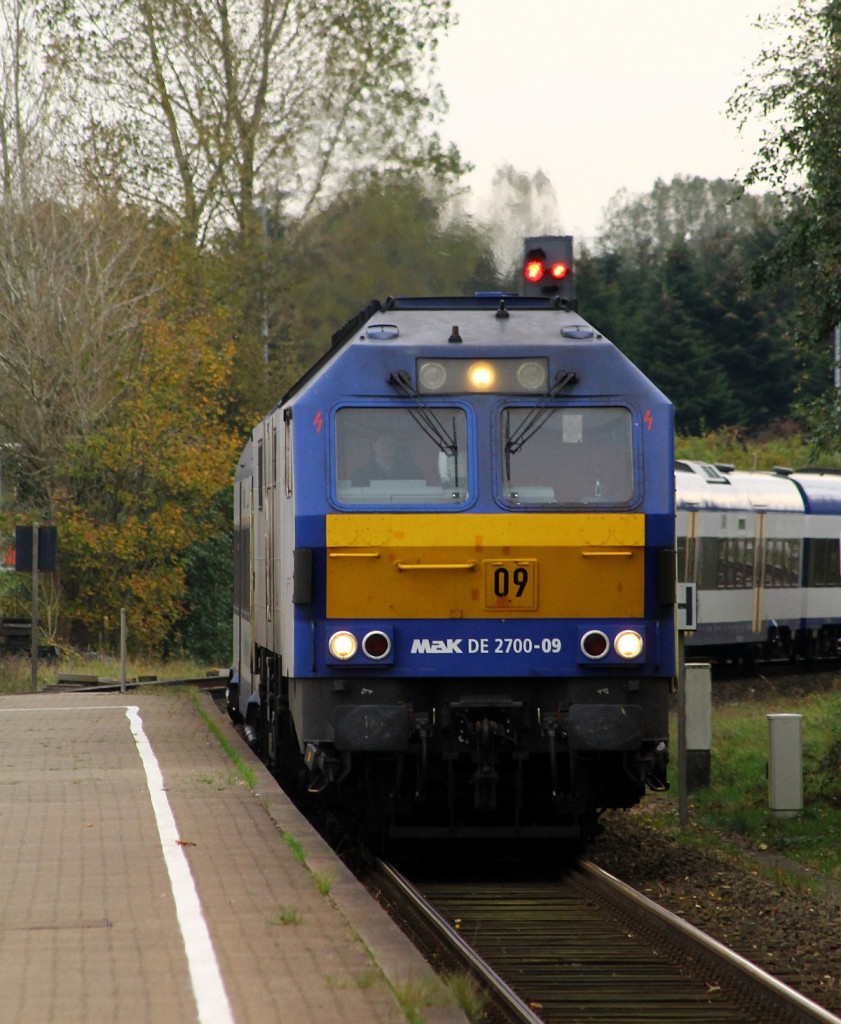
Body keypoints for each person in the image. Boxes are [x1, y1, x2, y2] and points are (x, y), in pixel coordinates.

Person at [351, 434, 421, 485]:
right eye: (383, 443)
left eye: (391, 443)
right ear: (374, 445)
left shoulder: (411, 472)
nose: (387, 446)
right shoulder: (361, 474)